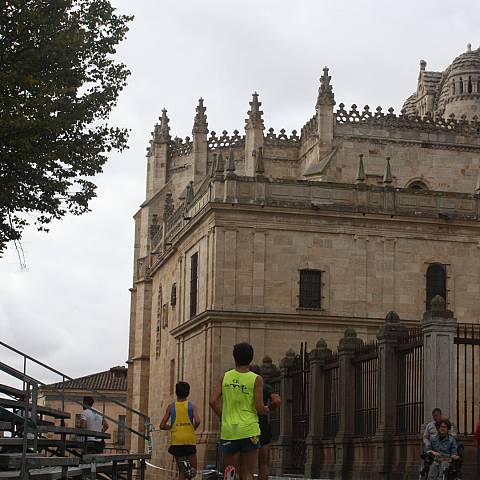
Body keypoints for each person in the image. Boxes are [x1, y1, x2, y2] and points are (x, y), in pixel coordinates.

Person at [209, 343, 269, 480]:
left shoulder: (225, 377)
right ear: (251, 358)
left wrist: (222, 414)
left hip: (230, 430)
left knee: (231, 472)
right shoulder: (256, 379)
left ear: (234, 358)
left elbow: (212, 401)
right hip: (249, 429)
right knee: (248, 472)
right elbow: (259, 407)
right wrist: (267, 410)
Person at [160, 381, 201, 480]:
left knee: (182, 471)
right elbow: (198, 420)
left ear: (176, 392)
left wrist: (171, 427)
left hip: (177, 441)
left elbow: (162, 425)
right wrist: (193, 427)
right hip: (189, 440)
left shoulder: (171, 407)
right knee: (193, 470)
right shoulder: (192, 406)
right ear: (188, 392)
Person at [249, 365, 281, 480]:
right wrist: (268, 408)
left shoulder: (245, 386)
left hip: (248, 425)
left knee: (248, 466)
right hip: (262, 425)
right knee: (263, 463)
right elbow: (277, 400)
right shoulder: (265, 387)